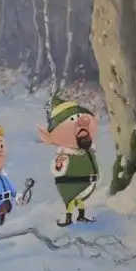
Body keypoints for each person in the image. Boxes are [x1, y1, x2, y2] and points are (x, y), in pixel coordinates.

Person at [36, 96, 100, 227]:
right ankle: (69, 217)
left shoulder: (87, 150)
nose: (82, 122)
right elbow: (58, 169)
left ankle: (81, 216)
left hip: (86, 183)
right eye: (72, 119)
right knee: (71, 201)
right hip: (70, 184)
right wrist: (59, 165)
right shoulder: (65, 154)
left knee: (80, 200)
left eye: (81, 116)